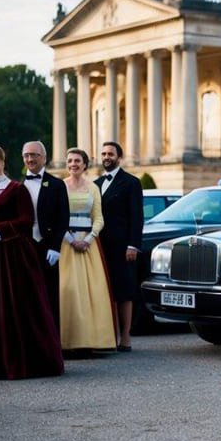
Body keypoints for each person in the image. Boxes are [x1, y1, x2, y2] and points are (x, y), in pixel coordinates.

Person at [0, 145, 64, 379]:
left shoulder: (16, 189)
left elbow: (25, 221)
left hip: (9, 256)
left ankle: (16, 361)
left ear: (2, 160)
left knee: (12, 307)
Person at [59, 148, 116, 354]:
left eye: (77, 161)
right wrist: (70, 239)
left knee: (92, 292)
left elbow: (98, 218)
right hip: (66, 243)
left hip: (88, 245)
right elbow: (57, 218)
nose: (73, 164)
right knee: (68, 290)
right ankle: (66, 341)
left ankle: (90, 340)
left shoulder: (93, 188)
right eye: (70, 160)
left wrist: (90, 238)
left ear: (85, 164)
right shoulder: (60, 187)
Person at [95, 141, 143, 352]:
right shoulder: (95, 184)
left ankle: (125, 338)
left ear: (119, 157)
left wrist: (133, 245)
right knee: (106, 291)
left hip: (123, 246)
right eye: (104, 153)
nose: (106, 157)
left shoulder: (131, 183)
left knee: (124, 291)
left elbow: (137, 217)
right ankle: (109, 337)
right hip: (99, 246)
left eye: (110, 154)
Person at [22, 140, 70, 326]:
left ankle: (52, 346)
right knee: (26, 296)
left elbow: (63, 218)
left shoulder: (57, 184)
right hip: (24, 247)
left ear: (44, 157)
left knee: (50, 296)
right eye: (26, 155)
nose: (30, 159)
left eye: (34, 155)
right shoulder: (17, 186)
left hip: (47, 246)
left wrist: (56, 247)